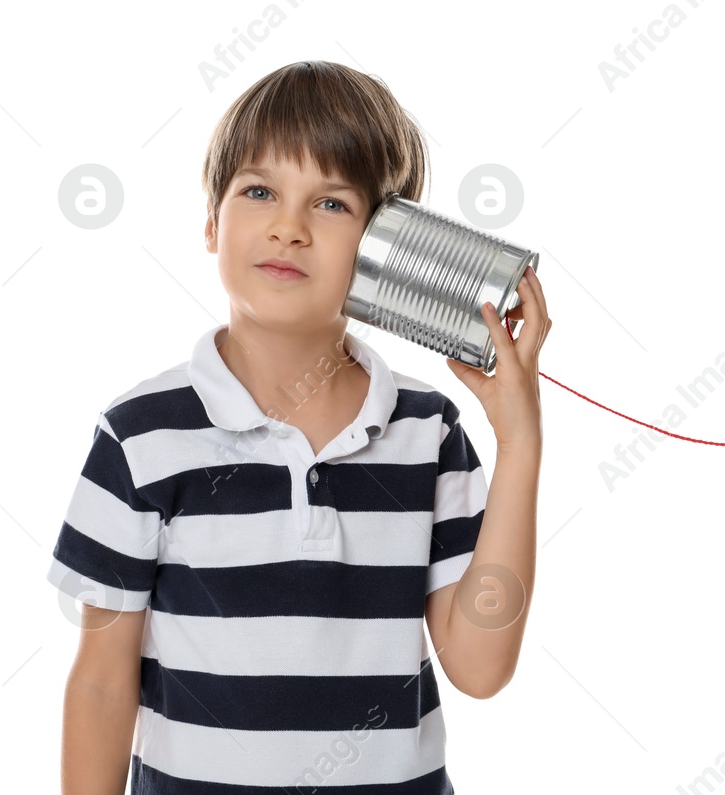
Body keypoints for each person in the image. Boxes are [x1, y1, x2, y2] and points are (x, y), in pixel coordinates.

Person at [46, 60, 551, 793]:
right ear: (213, 222)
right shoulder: (141, 438)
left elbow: (480, 666)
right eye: (259, 191)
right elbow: (100, 681)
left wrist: (521, 444)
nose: (289, 228)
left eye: (332, 205)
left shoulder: (428, 431)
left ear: (390, 248)